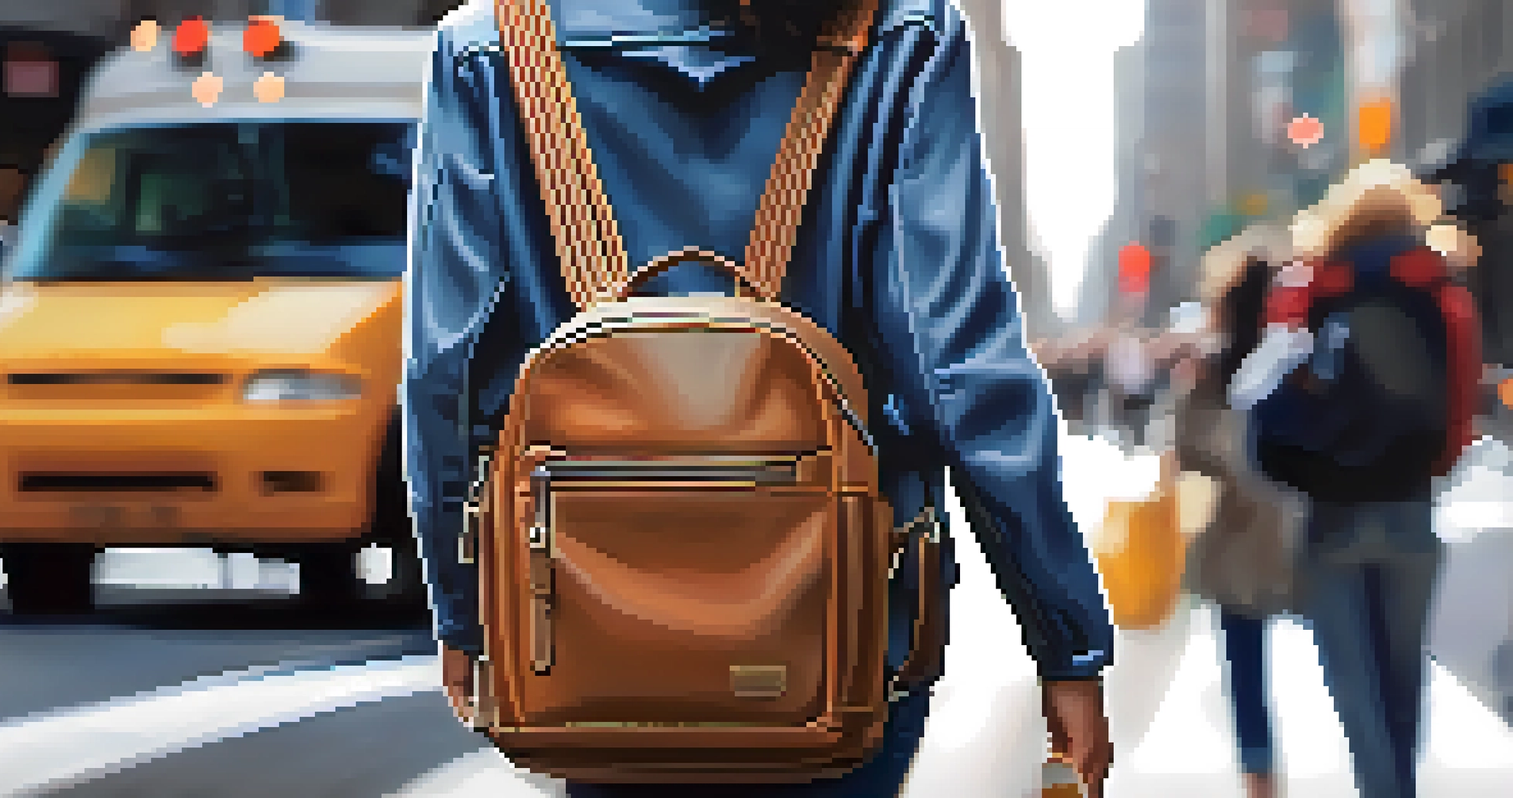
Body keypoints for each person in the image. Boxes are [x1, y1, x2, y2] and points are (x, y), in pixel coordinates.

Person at [403, 1, 1114, 795]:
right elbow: (958, 370)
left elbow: (446, 373)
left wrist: (466, 611)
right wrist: (1064, 640)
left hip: (586, 619)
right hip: (843, 625)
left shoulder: (491, 49)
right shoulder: (898, 33)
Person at [1231, 160, 1482, 798]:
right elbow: (1462, 388)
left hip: (1331, 510)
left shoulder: (1314, 281)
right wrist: (1438, 462)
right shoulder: (1435, 283)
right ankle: (1396, 786)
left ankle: (1381, 788)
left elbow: (1273, 387)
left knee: (1352, 680)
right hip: (1409, 504)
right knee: (1404, 678)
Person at [1170, 240, 1304, 798]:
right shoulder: (1297, 355)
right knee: (1345, 661)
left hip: (1238, 537)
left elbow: (1191, 449)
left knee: (1245, 671)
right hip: (1300, 528)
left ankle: (1262, 783)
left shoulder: (1213, 365)